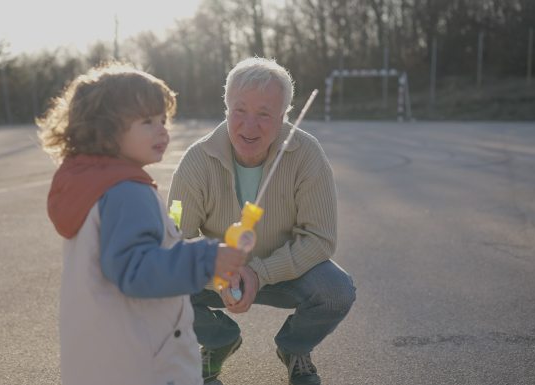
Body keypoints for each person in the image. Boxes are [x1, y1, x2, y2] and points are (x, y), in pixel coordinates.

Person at [37, 63, 248, 385]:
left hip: (101, 357)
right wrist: (208, 259)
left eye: (163, 120)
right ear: (106, 130)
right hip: (142, 362)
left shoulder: (91, 185)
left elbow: (132, 255)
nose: (162, 130)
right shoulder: (127, 192)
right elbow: (135, 270)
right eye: (147, 122)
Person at [167, 57, 356, 385]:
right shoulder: (196, 161)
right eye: (239, 110)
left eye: (265, 114)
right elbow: (174, 240)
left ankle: (294, 348)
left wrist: (260, 273)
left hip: (288, 272)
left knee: (337, 291)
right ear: (226, 108)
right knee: (159, 284)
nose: (249, 127)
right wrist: (219, 272)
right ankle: (217, 340)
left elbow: (320, 238)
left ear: (283, 116)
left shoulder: (307, 154)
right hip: (220, 275)